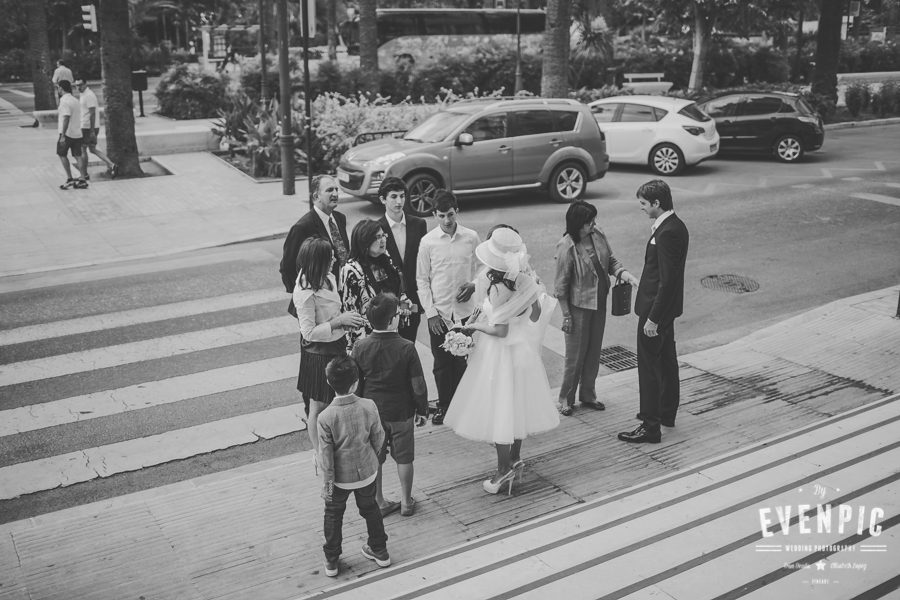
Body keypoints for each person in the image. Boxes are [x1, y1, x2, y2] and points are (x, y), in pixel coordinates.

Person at [444, 227, 559, 495]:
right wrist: (516, 318)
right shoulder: (524, 280)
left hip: (499, 354)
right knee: (517, 406)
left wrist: (475, 328)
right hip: (521, 353)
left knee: (500, 410)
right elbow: (536, 314)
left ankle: (502, 471)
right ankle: (515, 460)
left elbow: (499, 330)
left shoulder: (496, 288)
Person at [618, 180, 689, 444]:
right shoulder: (675, 225)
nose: (642, 208)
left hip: (656, 311)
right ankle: (666, 413)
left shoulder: (667, 232)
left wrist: (653, 319)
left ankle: (650, 426)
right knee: (667, 360)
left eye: (644, 204)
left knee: (649, 368)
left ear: (657, 203)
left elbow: (667, 281)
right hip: (666, 310)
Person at [554, 202, 639, 416]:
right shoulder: (567, 246)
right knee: (575, 356)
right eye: (588, 222)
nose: (593, 224)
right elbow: (561, 286)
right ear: (576, 225)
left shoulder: (598, 234)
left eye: (593, 220)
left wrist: (623, 273)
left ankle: (588, 394)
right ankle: (566, 398)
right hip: (578, 308)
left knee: (593, 352)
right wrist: (566, 316)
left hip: (599, 302)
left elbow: (610, 260)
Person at [352, 293, 428, 518]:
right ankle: (406, 501)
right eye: (397, 313)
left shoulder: (360, 346)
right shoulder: (406, 347)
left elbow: (356, 383)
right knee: (404, 457)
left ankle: (380, 502)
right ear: (392, 320)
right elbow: (418, 385)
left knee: (376, 458)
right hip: (401, 411)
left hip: (372, 412)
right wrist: (422, 410)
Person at [317, 355, 391, 577]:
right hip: (367, 473)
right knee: (370, 509)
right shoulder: (369, 405)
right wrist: (374, 459)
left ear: (329, 382)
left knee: (333, 514)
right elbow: (379, 437)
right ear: (356, 382)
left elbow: (327, 460)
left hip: (339, 479)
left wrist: (328, 489)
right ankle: (379, 550)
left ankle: (331, 559)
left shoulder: (325, 417)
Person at [294, 237, 366, 456]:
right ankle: (320, 455)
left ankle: (334, 445)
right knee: (318, 406)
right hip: (319, 354)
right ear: (318, 261)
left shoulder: (328, 277)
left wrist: (347, 320)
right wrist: (338, 321)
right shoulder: (305, 294)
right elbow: (308, 333)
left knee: (337, 400)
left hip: (336, 345)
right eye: (330, 256)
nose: (335, 258)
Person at [416, 191, 480, 425]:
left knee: (464, 361)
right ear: (434, 215)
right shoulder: (428, 242)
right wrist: (431, 314)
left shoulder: (471, 237)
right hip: (440, 314)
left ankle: (464, 406)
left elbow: (484, 268)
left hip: (465, 313)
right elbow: (421, 279)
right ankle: (444, 406)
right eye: (441, 215)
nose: (446, 220)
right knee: (442, 364)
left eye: (450, 214)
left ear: (457, 212)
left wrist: (474, 285)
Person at [280, 174, 350, 317]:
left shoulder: (340, 219)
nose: (335, 194)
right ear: (316, 196)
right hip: (318, 303)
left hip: (342, 295)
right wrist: (306, 295)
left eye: (336, 189)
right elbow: (287, 268)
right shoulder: (302, 227)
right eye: (330, 190)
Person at [339, 219, 409, 350]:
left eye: (383, 235)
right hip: (369, 342)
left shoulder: (386, 259)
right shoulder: (352, 270)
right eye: (377, 237)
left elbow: (400, 294)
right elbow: (351, 313)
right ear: (364, 241)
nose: (383, 240)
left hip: (393, 334)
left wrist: (405, 307)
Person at [377, 177, 427, 342]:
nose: (399, 201)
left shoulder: (419, 224)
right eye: (393, 197)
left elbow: (424, 262)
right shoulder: (376, 228)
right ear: (383, 199)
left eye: (402, 196)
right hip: (388, 300)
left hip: (413, 298)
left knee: (409, 345)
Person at [75, 79, 117, 180]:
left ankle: (84, 175)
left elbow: (92, 113)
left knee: (82, 149)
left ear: (86, 83)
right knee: (92, 149)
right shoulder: (83, 94)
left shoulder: (89, 95)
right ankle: (111, 164)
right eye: (76, 85)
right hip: (87, 126)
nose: (78, 87)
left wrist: (92, 130)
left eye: (80, 85)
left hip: (88, 127)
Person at [55, 80, 87, 190]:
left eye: (58, 88)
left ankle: (69, 179)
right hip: (77, 133)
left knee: (61, 154)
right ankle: (83, 179)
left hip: (67, 134)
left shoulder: (64, 101)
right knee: (78, 156)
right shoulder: (75, 100)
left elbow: (66, 118)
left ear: (61, 88)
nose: (57, 90)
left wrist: (63, 135)